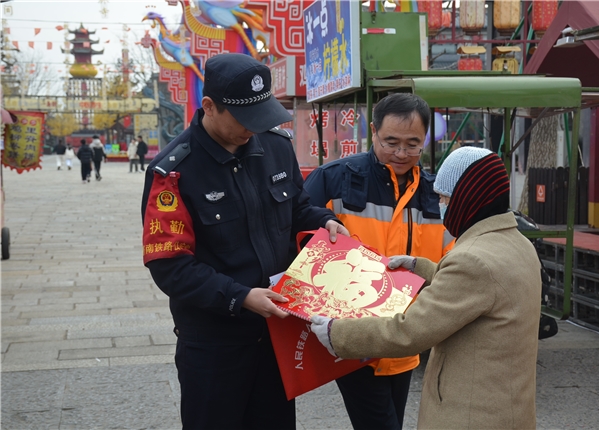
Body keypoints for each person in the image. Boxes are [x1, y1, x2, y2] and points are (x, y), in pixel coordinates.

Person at [140, 52, 349, 429]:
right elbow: (170, 266)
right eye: (244, 118)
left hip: (276, 334)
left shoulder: (276, 147)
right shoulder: (173, 173)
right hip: (214, 344)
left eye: (261, 116)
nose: (254, 128)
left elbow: (298, 207)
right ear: (209, 107)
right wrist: (240, 297)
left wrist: (325, 221)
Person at [311, 146, 542, 430]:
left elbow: (410, 331)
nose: (441, 206)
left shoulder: (473, 259)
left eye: (445, 198)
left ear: (469, 199)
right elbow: (484, 290)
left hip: (471, 414)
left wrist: (338, 333)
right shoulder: (518, 244)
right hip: (508, 405)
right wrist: (420, 268)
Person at [303, 92, 454, 430]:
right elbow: (296, 236)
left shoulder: (435, 195)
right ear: (373, 132)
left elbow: (452, 260)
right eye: (391, 142)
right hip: (354, 337)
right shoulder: (334, 179)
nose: (401, 153)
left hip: (405, 337)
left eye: (412, 145)